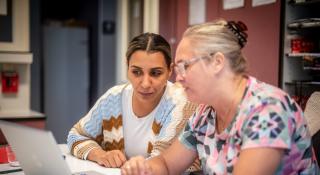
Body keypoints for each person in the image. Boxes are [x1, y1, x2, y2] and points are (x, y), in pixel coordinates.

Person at [121, 19, 320, 174]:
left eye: (185, 66)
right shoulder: (204, 113)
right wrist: (144, 168)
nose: (178, 77)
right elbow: (166, 163)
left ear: (217, 62)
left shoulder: (269, 109)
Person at [67, 33, 199, 169]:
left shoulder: (181, 104)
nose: (145, 83)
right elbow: (75, 136)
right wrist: (100, 155)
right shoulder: (113, 98)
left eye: (155, 73)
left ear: (170, 70)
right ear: (127, 67)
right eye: (136, 72)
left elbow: (159, 165)